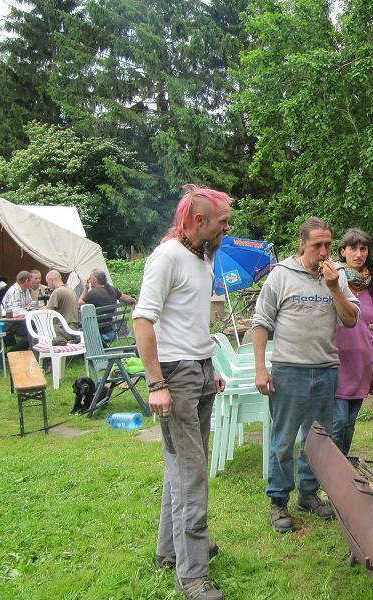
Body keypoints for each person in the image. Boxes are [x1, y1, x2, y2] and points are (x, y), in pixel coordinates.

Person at [133, 184, 231, 600]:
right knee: (193, 474)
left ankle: (170, 551)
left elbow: (189, 322)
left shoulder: (202, 257)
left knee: (182, 467)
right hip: (174, 374)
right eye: (222, 222)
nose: (227, 228)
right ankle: (193, 573)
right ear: (197, 222)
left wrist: (211, 367)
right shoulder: (167, 256)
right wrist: (156, 383)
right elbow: (142, 321)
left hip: (200, 370)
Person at [251, 217, 360, 534]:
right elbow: (261, 323)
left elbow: (351, 320)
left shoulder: (336, 276)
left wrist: (334, 289)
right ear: (302, 245)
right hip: (288, 370)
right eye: (317, 245)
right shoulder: (280, 276)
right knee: (283, 440)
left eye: (328, 244)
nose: (325, 251)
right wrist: (261, 368)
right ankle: (278, 500)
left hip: (325, 369)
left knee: (318, 440)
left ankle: (309, 495)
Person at [331, 228, 373, 456]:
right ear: (343, 252)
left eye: (363, 248)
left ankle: (340, 472)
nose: (359, 254)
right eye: (353, 248)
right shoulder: (333, 280)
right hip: (336, 362)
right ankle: (327, 474)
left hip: (362, 363)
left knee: (350, 423)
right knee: (337, 422)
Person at [79, 270, 136, 343]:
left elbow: (80, 303)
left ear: (95, 280)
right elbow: (126, 298)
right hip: (110, 331)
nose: (89, 281)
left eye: (90, 279)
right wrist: (134, 300)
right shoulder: (112, 290)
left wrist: (86, 288)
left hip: (97, 333)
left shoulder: (93, 293)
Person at [44, 270, 80, 345]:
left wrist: (33, 310)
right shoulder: (70, 290)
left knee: (37, 331)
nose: (48, 285)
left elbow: (46, 312)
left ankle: (34, 355)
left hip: (64, 328)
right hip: (74, 326)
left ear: (51, 280)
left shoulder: (57, 292)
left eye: (47, 282)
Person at [2, 271, 34, 351]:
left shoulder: (26, 290)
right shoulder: (14, 291)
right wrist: (30, 313)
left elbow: (29, 304)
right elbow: (15, 310)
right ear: (27, 281)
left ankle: (20, 351)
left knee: (35, 329)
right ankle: (12, 352)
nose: (32, 283)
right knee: (32, 333)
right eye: (31, 280)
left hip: (20, 320)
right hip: (10, 322)